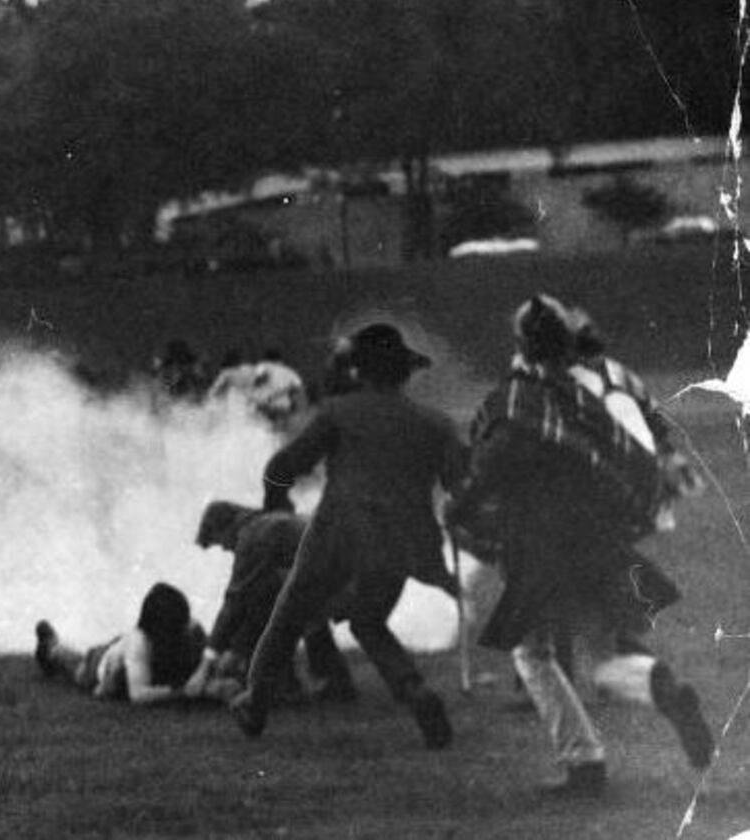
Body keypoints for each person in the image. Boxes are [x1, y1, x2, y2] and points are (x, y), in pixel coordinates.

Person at [446, 294, 712, 797]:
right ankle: (663, 687)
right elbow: (627, 456)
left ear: (521, 343)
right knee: (604, 658)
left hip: (540, 545)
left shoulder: (516, 398)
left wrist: (461, 506)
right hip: (596, 538)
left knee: (532, 653)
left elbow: (496, 458)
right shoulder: (579, 396)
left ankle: (584, 762)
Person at [228, 322, 465, 749]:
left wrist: (276, 503)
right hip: (402, 539)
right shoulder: (435, 424)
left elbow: (282, 467)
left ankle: (255, 701)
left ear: (360, 370)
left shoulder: (339, 412)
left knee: (289, 614)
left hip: (337, 533)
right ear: (404, 373)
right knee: (368, 621)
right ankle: (413, 689)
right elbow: (461, 487)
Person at [185, 501, 356, 704]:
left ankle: (289, 686)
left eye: (219, 541)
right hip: (347, 569)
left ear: (226, 528)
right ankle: (330, 681)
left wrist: (206, 665)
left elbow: (234, 602)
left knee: (288, 611)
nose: (224, 548)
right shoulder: (264, 524)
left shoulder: (252, 537)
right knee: (286, 603)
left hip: (343, 578)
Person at [34, 581, 206, 705]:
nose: (185, 627)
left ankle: (55, 647)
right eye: (178, 626)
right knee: (79, 670)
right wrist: (181, 692)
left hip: (122, 649)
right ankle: (51, 648)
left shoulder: (190, 628)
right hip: (101, 664)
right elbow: (138, 695)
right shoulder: (140, 643)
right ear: (163, 629)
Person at [249, 349, 308, 428]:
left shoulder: (264, 365)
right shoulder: (291, 373)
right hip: (284, 407)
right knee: (275, 430)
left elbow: (256, 379)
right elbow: (300, 391)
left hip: (264, 404)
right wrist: (297, 412)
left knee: (256, 426)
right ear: (280, 360)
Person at [153, 339, 210, 405]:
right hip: (174, 392)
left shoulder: (190, 362)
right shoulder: (169, 365)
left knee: (192, 379)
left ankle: (197, 398)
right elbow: (159, 374)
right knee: (169, 381)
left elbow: (199, 371)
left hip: (188, 391)